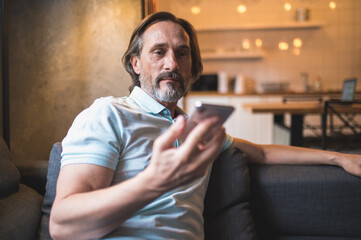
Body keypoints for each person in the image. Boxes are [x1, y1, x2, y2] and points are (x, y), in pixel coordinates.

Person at [49, 11, 361, 240]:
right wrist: (153, 182)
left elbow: (262, 154)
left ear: (191, 65)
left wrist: (337, 157)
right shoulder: (108, 114)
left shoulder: (197, 129)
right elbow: (63, 226)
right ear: (135, 63)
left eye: (181, 53)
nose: (172, 64)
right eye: (158, 52)